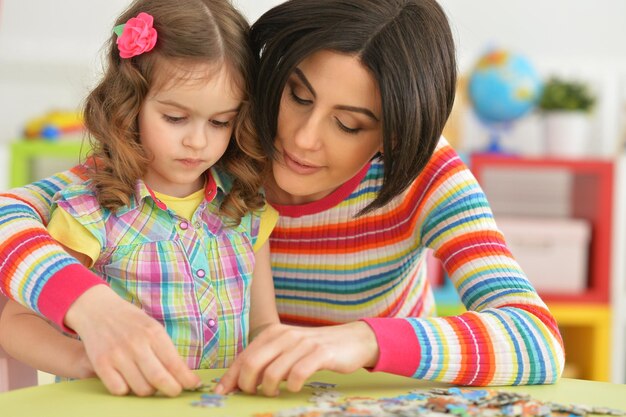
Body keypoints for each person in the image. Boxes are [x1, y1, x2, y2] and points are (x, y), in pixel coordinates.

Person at [0, 0, 565, 398]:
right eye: (297, 95)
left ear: (396, 132)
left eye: (348, 124)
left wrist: (363, 341)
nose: (300, 139)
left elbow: (538, 340)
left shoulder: (426, 174)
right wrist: (91, 308)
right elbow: (12, 212)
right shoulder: (214, 147)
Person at [0, 0, 279, 396]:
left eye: (220, 122)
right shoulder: (91, 209)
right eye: (175, 118)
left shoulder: (245, 206)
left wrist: (274, 348)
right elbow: (16, 324)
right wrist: (85, 361)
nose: (197, 141)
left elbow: (264, 324)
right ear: (131, 104)